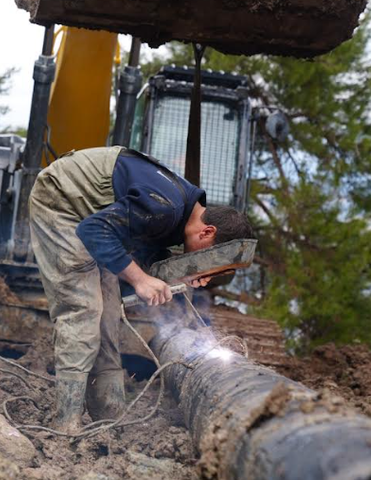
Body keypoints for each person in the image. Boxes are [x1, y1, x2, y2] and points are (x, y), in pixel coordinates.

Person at [29, 146, 254, 432]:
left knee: (107, 318)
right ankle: (65, 423)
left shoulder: (178, 212)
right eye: (213, 262)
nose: (208, 272)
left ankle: (108, 417)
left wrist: (183, 274)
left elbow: (142, 249)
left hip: (93, 219)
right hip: (62, 203)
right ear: (207, 232)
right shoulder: (166, 207)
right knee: (84, 308)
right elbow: (93, 230)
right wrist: (139, 280)